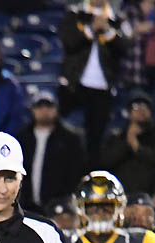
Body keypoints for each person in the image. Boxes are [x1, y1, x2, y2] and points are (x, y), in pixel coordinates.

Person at [59, 0, 132, 165]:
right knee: (65, 137)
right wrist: (91, 30)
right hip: (73, 85)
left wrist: (107, 31)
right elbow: (68, 42)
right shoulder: (74, 13)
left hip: (103, 88)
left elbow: (125, 46)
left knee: (96, 142)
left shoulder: (117, 19)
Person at [99, 89, 155, 197]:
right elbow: (106, 161)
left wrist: (136, 145)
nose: (141, 111)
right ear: (129, 112)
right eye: (136, 107)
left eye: (145, 107)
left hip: (150, 195)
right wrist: (127, 140)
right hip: (120, 194)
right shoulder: (117, 136)